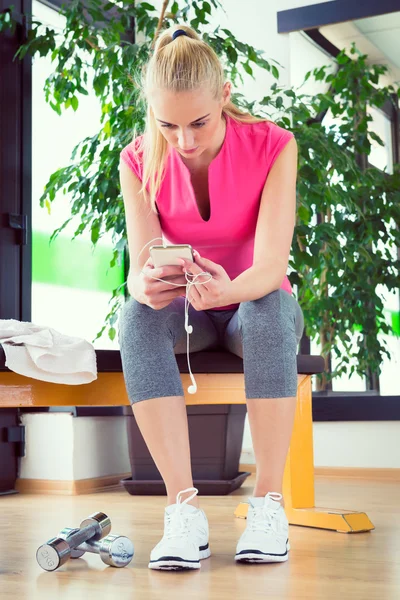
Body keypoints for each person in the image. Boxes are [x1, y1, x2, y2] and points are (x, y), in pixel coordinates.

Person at [118, 25, 304, 571]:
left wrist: (227, 289)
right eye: (167, 125)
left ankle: (269, 505)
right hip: (186, 311)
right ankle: (183, 511)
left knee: (267, 310)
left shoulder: (274, 145)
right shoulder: (136, 160)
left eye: (198, 122)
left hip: (255, 303)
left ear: (223, 95)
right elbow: (141, 263)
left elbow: (271, 267)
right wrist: (142, 286)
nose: (185, 142)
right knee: (135, 316)